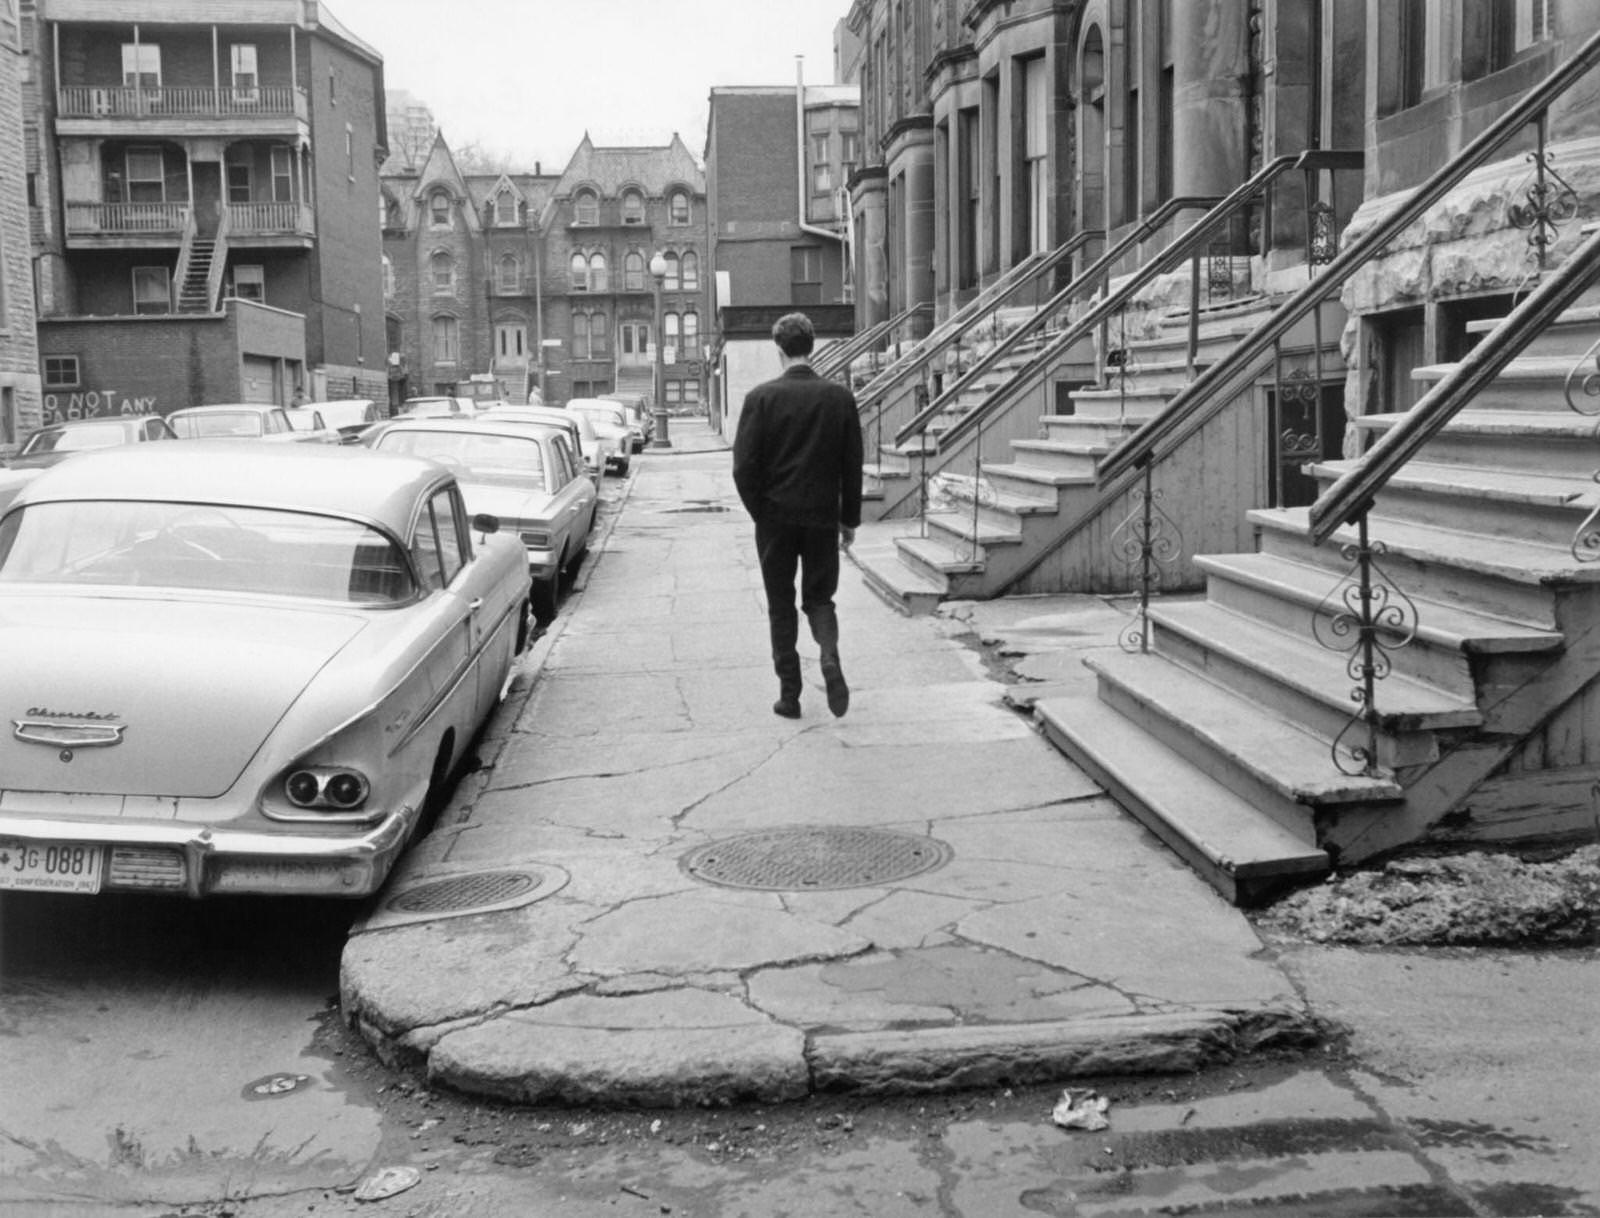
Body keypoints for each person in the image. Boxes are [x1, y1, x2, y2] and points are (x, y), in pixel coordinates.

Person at [732, 312, 864, 720]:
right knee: (820, 598)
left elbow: (743, 467)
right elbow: (852, 464)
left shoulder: (761, 399)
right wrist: (849, 520)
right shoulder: (839, 398)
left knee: (781, 604)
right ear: (813, 346)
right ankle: (828, 655)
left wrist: (761, 511)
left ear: (779, 351)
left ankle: (790, 695)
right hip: (822, 518)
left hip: (775, 519)